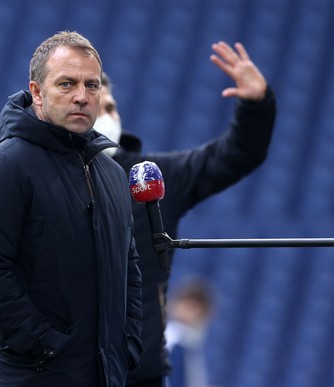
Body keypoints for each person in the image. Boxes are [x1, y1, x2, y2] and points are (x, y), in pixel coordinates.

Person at [0, 31, 143, 387]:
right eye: (67, 84)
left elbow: (128, 267)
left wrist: (127, 343)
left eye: (92, 85)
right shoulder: (3, 169)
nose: (81, 97)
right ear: (37, 92)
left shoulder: (112, 174)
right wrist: (44, 346)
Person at [93, 41, 276, 386]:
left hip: (139, 374)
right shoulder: (36, 180)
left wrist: (256, 105)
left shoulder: (151, 177)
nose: (107, 117)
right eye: (96, 108)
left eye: (112, 107)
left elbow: (234, 155)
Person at [165, 278, 216, 387]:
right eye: (187, 304)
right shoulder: (172, 337)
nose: (189, 312)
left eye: (196, 308)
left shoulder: (195, 345)